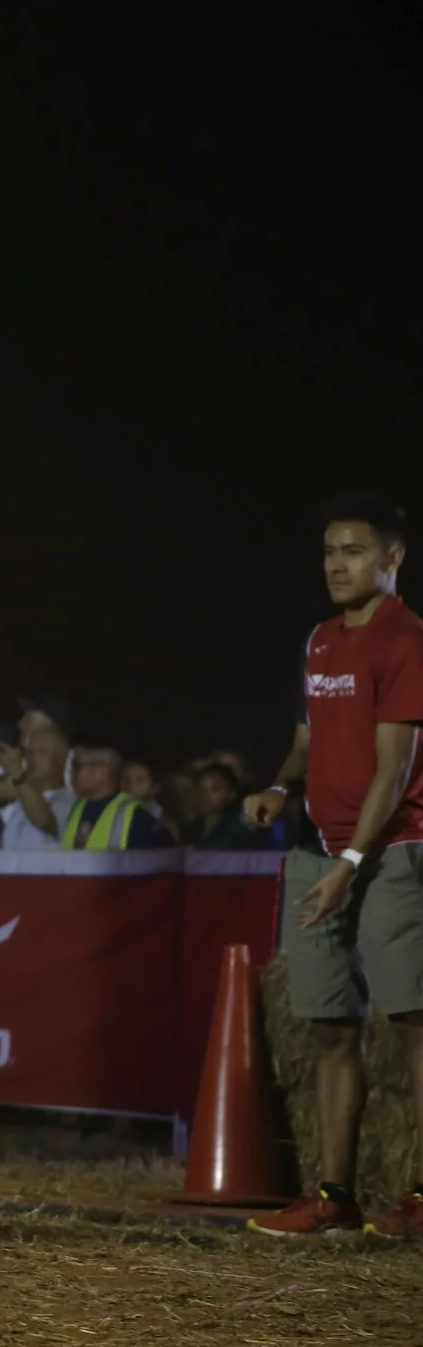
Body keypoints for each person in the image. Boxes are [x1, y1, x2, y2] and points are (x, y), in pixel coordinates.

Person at [243, 494, 423, 1239]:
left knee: (414, 1021)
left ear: (392, 558)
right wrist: (279, 785)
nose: (336, 564)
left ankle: (420, 1197)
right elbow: (306, 738)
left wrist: (351, 860)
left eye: (352, 550)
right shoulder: (318, 641)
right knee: (327, 1028)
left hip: (392, 852)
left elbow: (396, 763)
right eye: (328, 552)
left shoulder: (406, 637)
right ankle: (333, 1196)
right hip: (321, 851)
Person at [57, 745, 174, 850]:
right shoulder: (76, 807)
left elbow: (165, 860)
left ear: (103, 771)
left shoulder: (132, 815)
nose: (73, 772)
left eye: (77, 766)